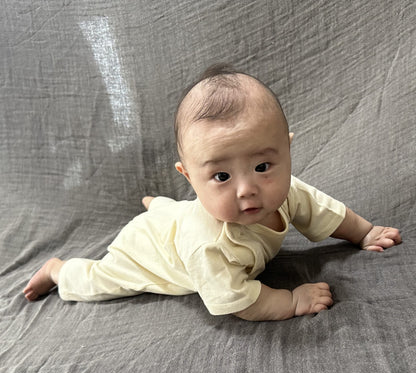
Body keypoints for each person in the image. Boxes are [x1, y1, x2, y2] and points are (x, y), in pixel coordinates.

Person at [23, 64, 402, 321]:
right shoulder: (209, 246)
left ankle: (160, 207)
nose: (247, 189)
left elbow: (323, 210)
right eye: (221, 175)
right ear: (189, 176)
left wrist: (365, 232)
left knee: (180, 213)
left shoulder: (287, 191)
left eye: (262, 167)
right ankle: (59, 270)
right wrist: (290, 300)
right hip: (149, 252)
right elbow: (237, 301)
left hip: (181, 217)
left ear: (287, 151)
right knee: (100, 281)